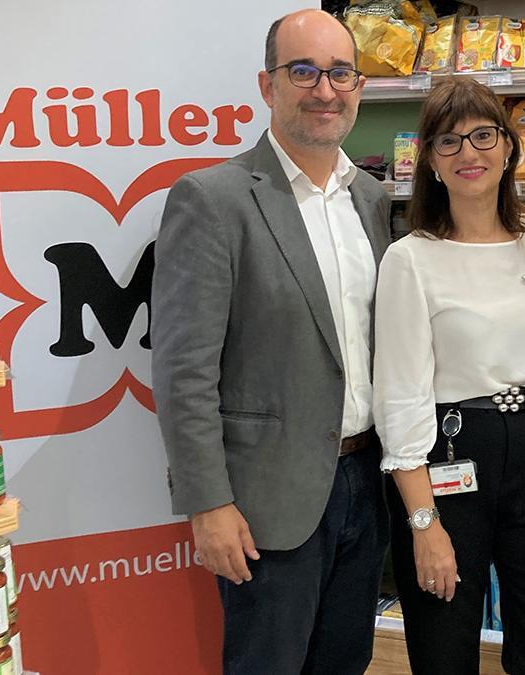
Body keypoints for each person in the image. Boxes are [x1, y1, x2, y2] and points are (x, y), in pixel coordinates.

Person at [151, 10, 391, 674]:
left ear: (358, 86)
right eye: (304, 71)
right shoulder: (213, 199)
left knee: (345, 663)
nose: (324, 90)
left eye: (340, 73)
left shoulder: (371, 200)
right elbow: (183, 370)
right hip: (265, 504)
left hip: (364, 487)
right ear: (268, 84)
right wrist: (209, 502)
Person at [373, 77, 525, 675]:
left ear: (510, 147)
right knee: (445, 636)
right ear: (431, 163)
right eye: (449, 141)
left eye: (483, 135)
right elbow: (401, 395)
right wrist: (423, 525)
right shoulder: (410, 257)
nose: (469, 153)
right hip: (450, 454)